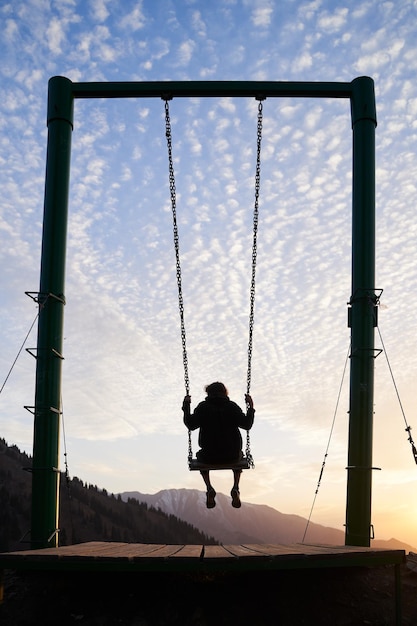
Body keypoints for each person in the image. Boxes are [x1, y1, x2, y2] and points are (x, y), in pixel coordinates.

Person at [182, 381, 255, 509]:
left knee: (201, 458)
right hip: (232, 455)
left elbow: (190, 424)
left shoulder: (203, 407)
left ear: (208, 393)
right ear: (224, 392)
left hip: (208, 456)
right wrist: (251, 406)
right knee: (238, 456)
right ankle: (236, 487)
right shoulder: (231, 407)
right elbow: (247, 424)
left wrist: (186, 405)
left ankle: (209, 488)